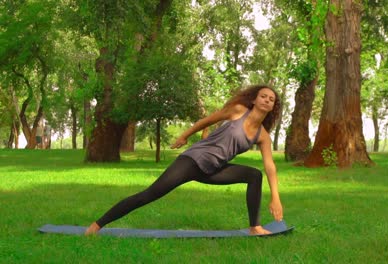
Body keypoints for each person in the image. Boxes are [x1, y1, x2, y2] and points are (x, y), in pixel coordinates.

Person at [85, 85, 283, 235]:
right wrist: (184, 136)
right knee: (148, 195)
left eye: (271, 99)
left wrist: (275, 197)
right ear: (255, 100)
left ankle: (255, 226)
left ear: (273, 106)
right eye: (263, 96)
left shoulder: (262, 135)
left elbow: (270, 166)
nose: (267, 100)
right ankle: (97, 225)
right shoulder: (238, 111)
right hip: (192, 161)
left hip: (213, 170)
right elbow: (206, 121)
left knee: (254, 175)